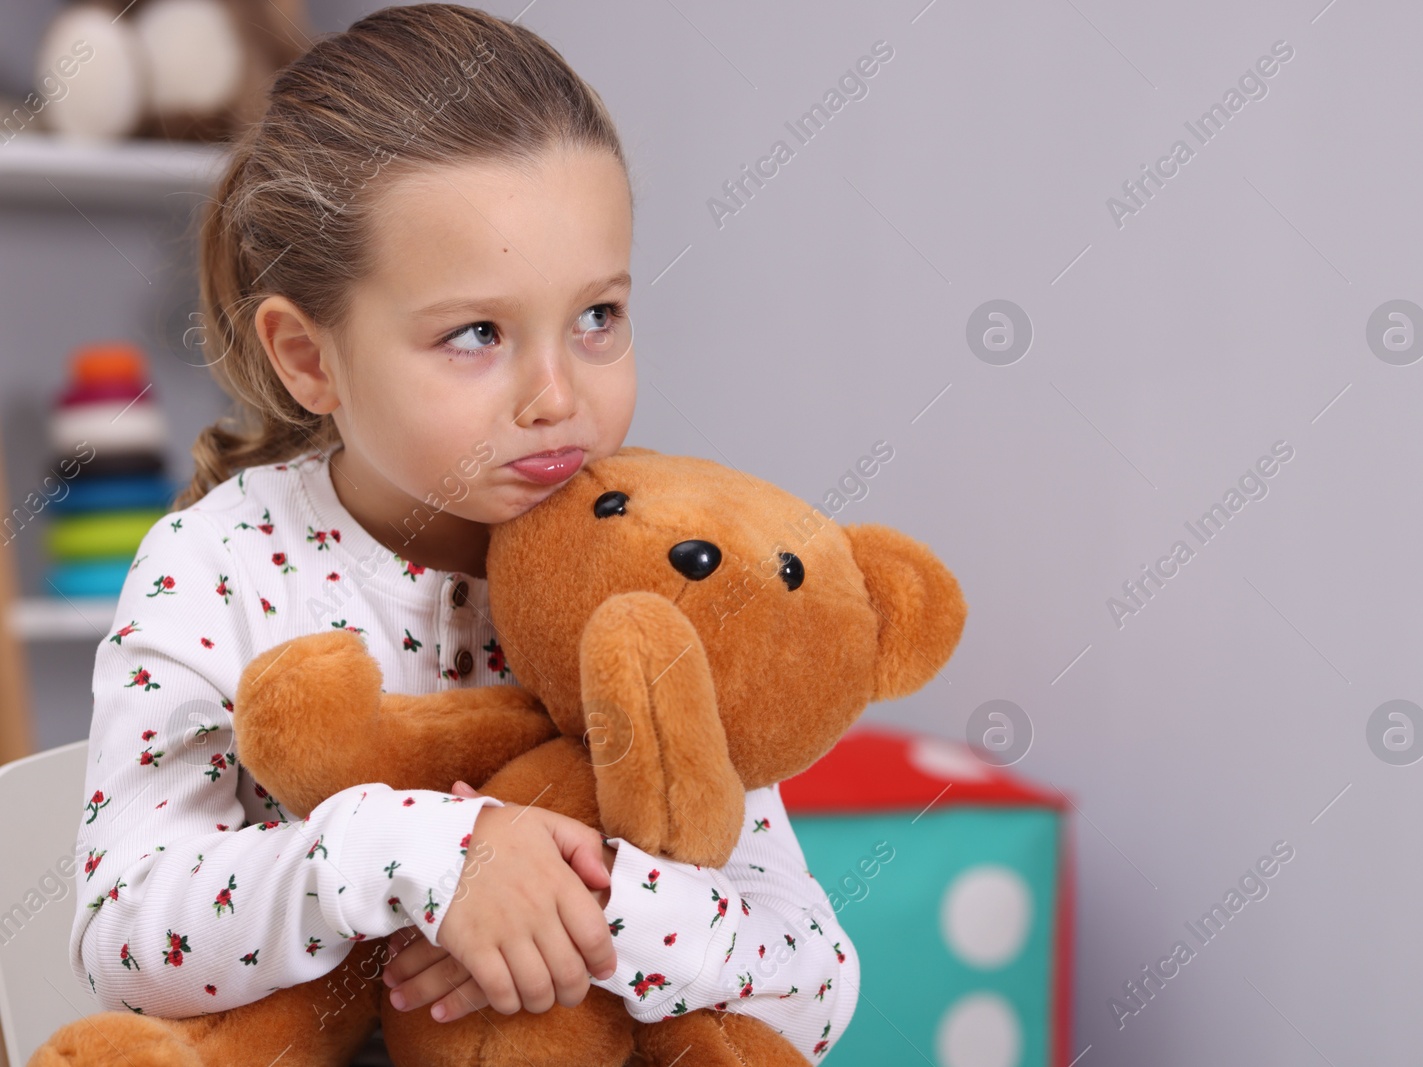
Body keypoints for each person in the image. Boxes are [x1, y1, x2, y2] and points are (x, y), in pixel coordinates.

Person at [68, 6, 856, 1062]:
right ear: (309, 357)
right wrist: (426, 856)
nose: (556, 394)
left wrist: (583, 913)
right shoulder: (220, 564)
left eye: (598, 317)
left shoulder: (650, 563)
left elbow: (817, 980)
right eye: (477, 333)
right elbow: (124, 926)